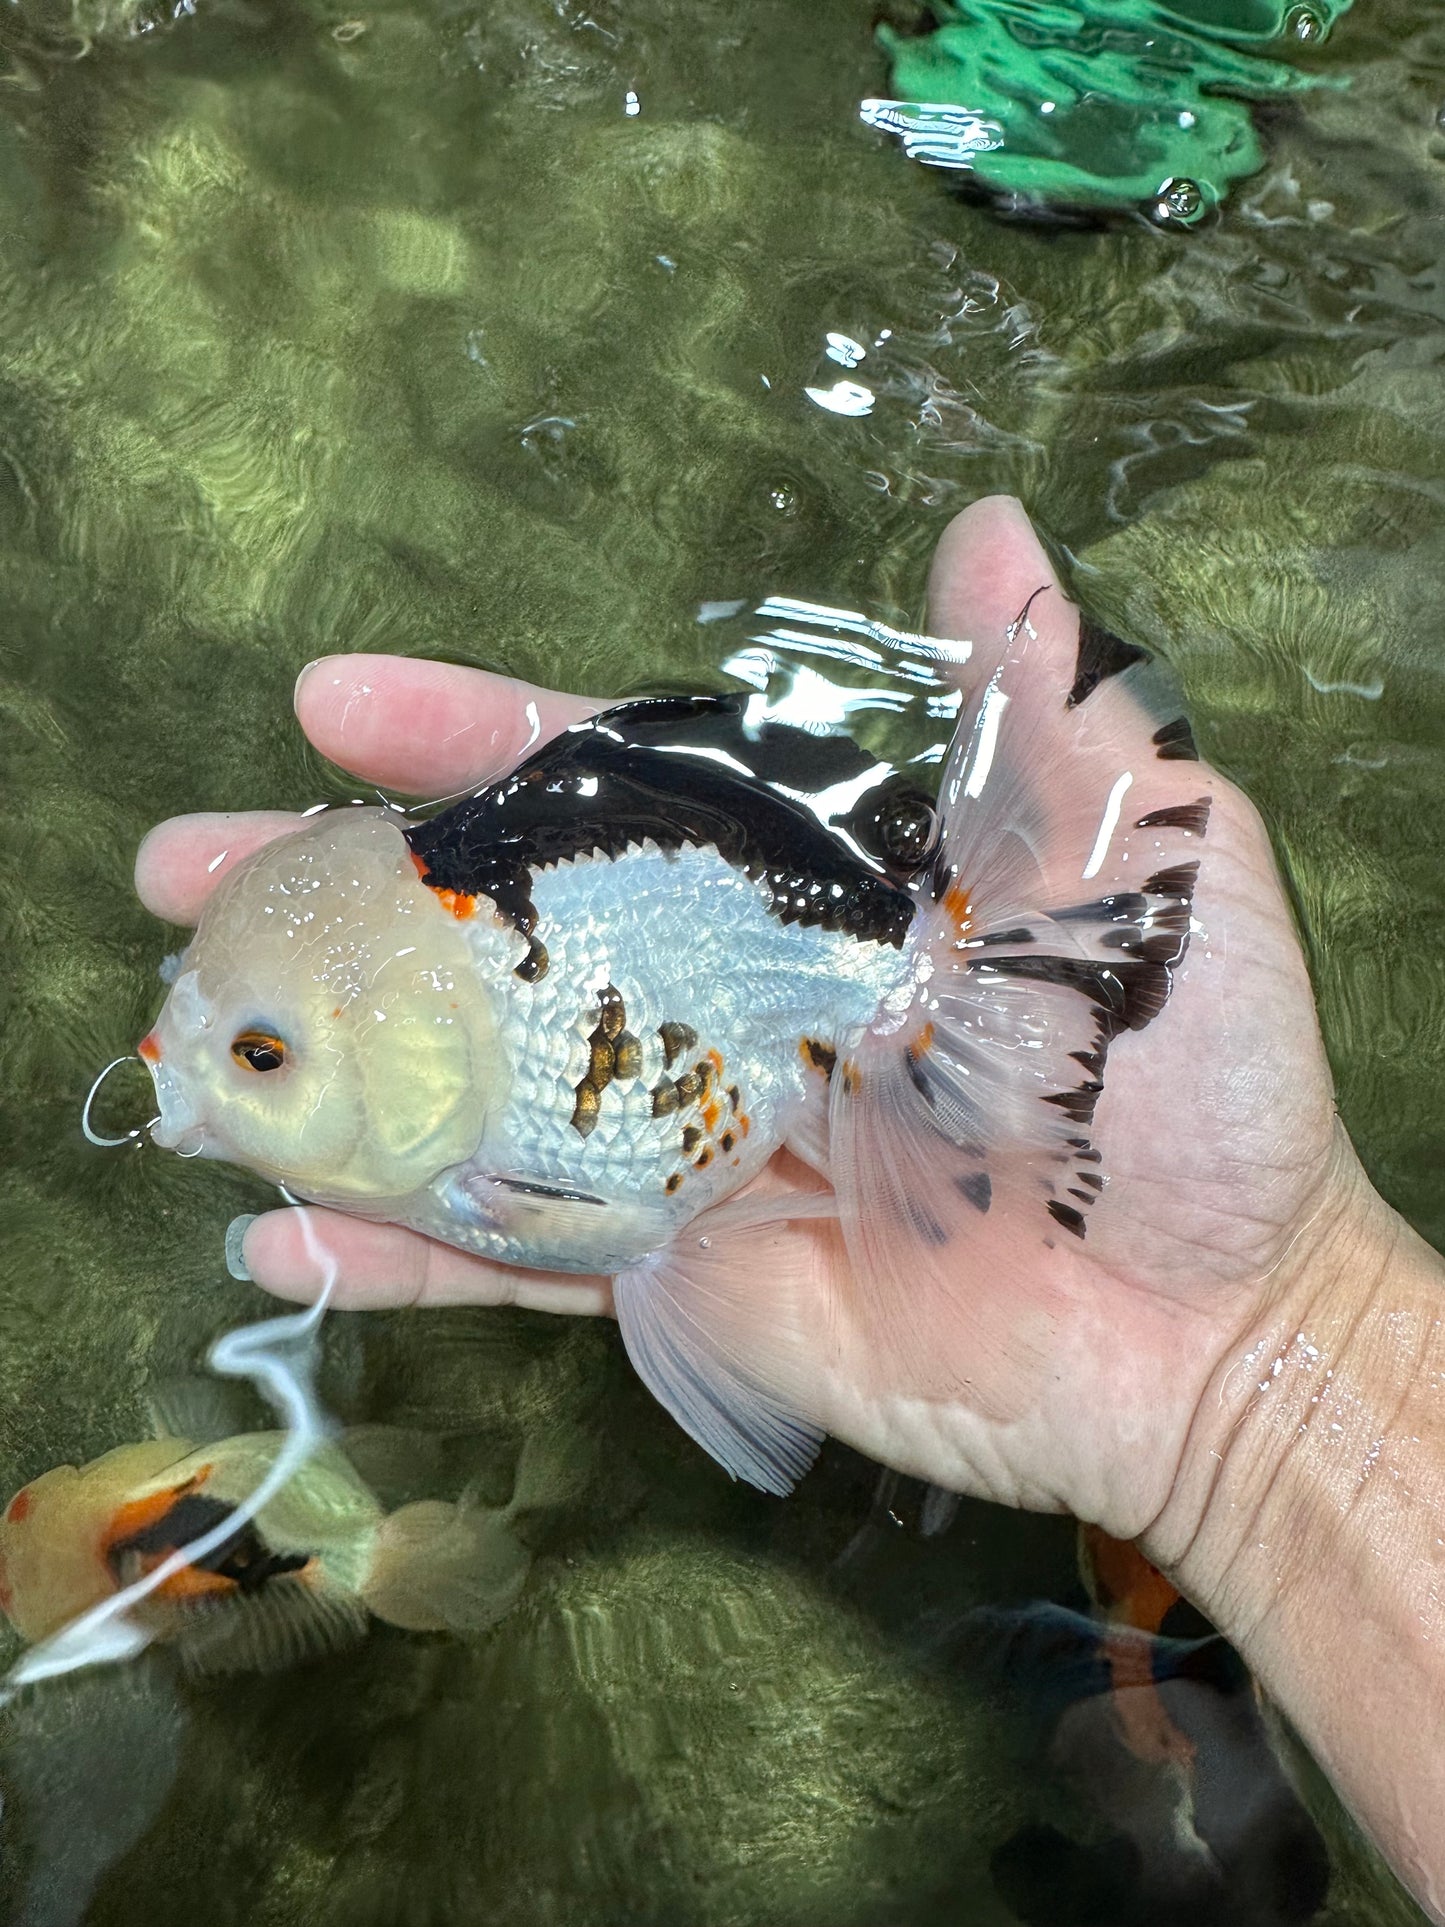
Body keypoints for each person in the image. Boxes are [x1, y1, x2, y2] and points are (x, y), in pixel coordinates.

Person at [135, 495, 1445, 1921]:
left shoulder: (484, 1142)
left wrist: (1267, 1340)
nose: (201, 1082)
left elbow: (630, 1232)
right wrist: (1268, 1377)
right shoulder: (455, 1039)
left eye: (261, 1058)